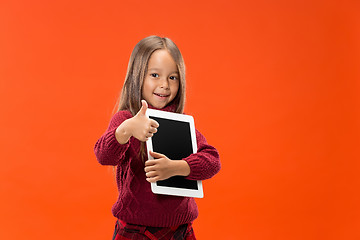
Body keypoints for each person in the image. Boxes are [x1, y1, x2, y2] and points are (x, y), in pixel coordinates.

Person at [94, 35, 221, 240]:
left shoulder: (181, 123)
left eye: (173, 77)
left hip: (179, 229)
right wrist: (126, 130)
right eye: (155, 75)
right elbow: (104, 155)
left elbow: (213, 160)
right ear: (138, 76)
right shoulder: (126, 119)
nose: (164, 85)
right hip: (135, 229)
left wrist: (178, 167)